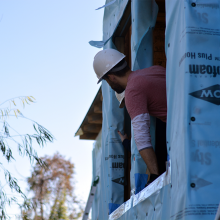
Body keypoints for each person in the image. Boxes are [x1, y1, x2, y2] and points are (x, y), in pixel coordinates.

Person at [93, 48, 167, 184]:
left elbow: (142, 139)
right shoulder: (155, 70)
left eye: (107, 82)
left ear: (111, 77)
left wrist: (155, 176)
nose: (110, 85)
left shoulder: (132, 91)